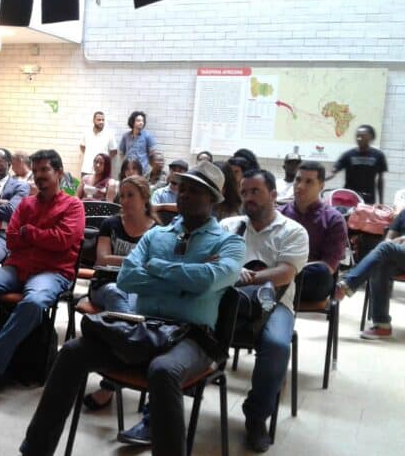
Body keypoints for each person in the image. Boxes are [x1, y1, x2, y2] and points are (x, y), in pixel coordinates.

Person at [20, 161, 245, 456]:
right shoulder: (156, 235)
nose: (185, 195)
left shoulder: (229, 243)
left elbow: (207, 282)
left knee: (163, 370)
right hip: (143, 326)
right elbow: (126, 277)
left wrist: (156, 269)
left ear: (214, 199)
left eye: (196, 190)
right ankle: (35, 450)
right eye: (183, 188)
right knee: (73, 352)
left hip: (194, 337)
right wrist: (186, 275)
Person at [0, 149, 85, 400]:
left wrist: (30, 233)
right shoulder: (26, 204)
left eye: (45, 170)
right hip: (17, 268)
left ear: (58, 173)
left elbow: (63, 240)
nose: (39, 176)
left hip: (52, 272)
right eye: (35, 172)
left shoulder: (73, 205)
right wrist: (33, 235)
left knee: (34, 303)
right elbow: (12, 240)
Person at [220, 169, 308, 453]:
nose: (248, 198)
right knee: (189, 327)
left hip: (275, 303)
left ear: (273, 195)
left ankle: (256, 417)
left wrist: (247, 276)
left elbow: (284, 274)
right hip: (227, 299)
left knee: (276, 345)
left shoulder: (293, 231)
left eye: (255, 192)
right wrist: (234, 273)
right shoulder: (229, 225)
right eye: (244, 193)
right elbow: (211, 259)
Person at [81, 175, 159, 411]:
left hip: (138, 289)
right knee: (117, 293)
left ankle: (110, 382)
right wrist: (137, 262)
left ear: (145, 198)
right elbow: (102, 260)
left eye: (130, 195)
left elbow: (154, 266)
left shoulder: (157, 231)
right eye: (121, 195)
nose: (123, 201)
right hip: (105, 285)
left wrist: (124, 262)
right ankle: (137, 355)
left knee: (137, 303)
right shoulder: (111, 224)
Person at [279, 161, 347, 301]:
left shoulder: (334, 219)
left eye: (309, 182)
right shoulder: (279, 214)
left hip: (308, 280)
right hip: (276, 272)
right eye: (298, 180)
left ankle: (273, 289)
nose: (300, 186)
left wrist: (290, 271)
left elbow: (329, 267)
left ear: (321, 186)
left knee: (321, 275)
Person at [335, 208, 405, 339]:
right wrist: (393, 242)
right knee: (380, 264)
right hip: (400, 257)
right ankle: (382, 325)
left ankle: (347, 284)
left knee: (385, 249)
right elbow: (389, 238)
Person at [327, 124, 387, 204]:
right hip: (349, 197)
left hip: (368, 199)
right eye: (357, 136)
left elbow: (380, 180)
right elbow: (333, 171)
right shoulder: (348, 155)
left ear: (371, 138)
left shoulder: (378, 156)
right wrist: (320, 178)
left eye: (362, 136)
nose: (359, 139)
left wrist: (381, 202)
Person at [151, 159, 188, 224]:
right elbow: (152, 208)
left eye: (180, 171)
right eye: (173, 170)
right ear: (169, 171)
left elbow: (186, 208)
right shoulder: (159, 193)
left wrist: (162, 207)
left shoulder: (188, 194)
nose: (176, 173)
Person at [80, 111, 116, 177]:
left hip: (102, 170)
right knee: (85, 187)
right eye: (99, 120)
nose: (101, 122)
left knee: (101, 187)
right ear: (93, 120)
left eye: (103, 120)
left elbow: (114, 151)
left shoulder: (109, 134)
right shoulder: (87, 133)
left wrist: (104, 160)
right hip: (86, 169)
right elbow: (82, 146)